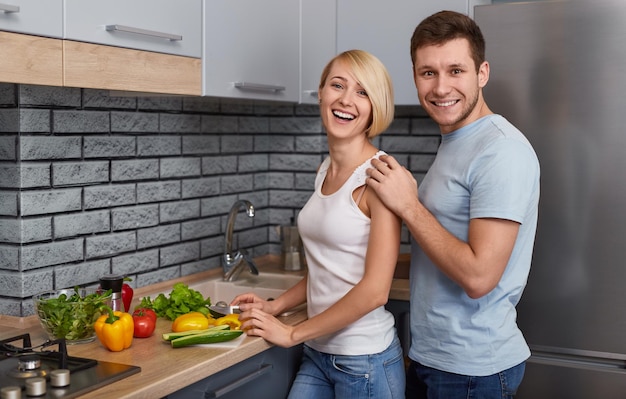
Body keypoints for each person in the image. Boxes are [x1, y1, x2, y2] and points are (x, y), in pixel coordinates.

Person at [366, 10, 540, 399]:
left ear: (482, 73)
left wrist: (409, 206)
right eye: (428, 72)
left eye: (456, 71)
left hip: (473, 370)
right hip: (437, 358)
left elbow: (479, 277)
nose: (441, 87)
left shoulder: (501, 150)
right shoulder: (458, 141)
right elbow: (444, 239)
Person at [232, 49, 405, 398]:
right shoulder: (325, 169)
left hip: (365, 362)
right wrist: (275, 307)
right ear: (322, 92)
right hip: (319, 354)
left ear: (376, 106)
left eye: (362, 92)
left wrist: (292, 333)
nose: (345, 100)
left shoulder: (381, 177)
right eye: (337, 85)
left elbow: (375, 291)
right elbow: (329, 271)